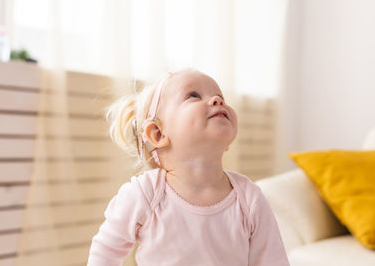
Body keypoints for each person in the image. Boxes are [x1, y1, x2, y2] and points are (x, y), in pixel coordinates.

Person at [87, 69, 290, 266]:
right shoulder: (145, 194)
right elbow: (105, 252)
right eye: (193, 95)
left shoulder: (249, 199)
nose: (217, 100)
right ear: (158, 133)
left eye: (220, 96)